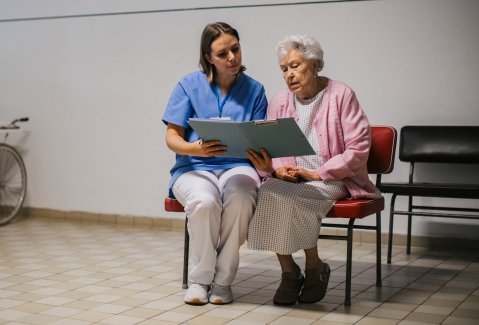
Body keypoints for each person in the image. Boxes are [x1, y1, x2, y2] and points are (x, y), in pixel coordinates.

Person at [246, 34, 380, 305]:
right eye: (284, 69)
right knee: (266, 192)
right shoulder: (280, 100)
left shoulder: (341, 94)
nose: (289, 74)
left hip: (333, 177)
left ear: (316, 64)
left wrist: (318, 173)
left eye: (295, 66)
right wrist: (276, 170)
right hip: (294, 178)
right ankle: (288, 271)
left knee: (299, 195)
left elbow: (359, 148)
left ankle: (314, 266)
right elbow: (271, 149)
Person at [163, 22, 268, 305]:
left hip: (238, 166)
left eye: (236, 49)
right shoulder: (188, 85)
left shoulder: (256, 90)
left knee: (242, 196)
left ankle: (223, 282)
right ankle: (200, 280)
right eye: (223, 54)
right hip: (194, 166)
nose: (232, 58)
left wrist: (265, 154)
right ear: (208, 57)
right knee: (204, 203)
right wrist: (194, 147)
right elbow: (172, 137)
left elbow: (259, 136)